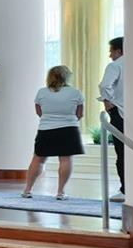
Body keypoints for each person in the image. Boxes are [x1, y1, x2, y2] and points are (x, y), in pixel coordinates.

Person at [21, 65, 85, 200]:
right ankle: (61, 192)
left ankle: (27, 190)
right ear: (67, 77)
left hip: (46, 129)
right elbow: (80, 114)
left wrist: (51, 119)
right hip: (68, 129)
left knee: (38, 159)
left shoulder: (41, 92)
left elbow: (39, 112)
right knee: (65, 159)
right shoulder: (75, 92)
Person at [99, 36, 125, 202]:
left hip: (119, 112)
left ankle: (125, 189)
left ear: (119, 51)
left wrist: (107, 102)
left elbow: (104, 85)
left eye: (111, 51)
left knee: (121, 151)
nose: (110, 55)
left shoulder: (115, 65)